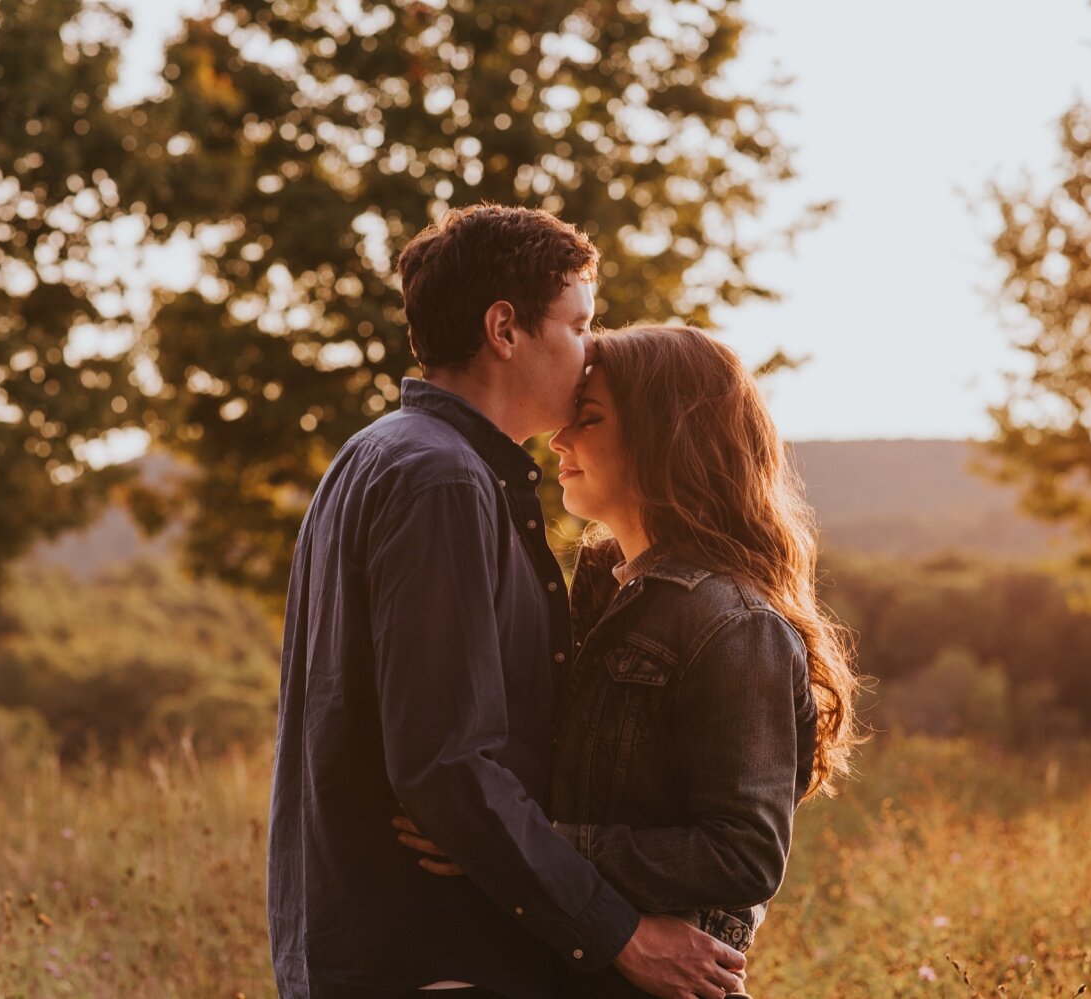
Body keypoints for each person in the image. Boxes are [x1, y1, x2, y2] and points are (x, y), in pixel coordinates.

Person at [267, 206, 747, 999]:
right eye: (580, 323)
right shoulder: (443, 479)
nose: (593, 350)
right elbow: (448, 761)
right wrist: (622, 934)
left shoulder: (379, 455)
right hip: (434, 956)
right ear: (505, 328)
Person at [398, 324, 861, 998]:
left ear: (667, 434)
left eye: (587, 419)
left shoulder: (736, 625)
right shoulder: (599, 590)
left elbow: (743, 854)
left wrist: (522, 846)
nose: (558, 439)